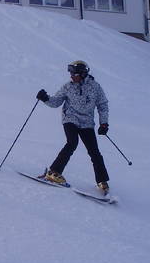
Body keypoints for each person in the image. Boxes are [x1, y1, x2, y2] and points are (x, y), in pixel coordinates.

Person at [36, 60, 111, 194]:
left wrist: (104, 123)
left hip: (87, 123)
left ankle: (102, 181)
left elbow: (103, 105)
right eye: (70, 73)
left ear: (83, 74)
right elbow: (56, 102)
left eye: (74, 73)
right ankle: (54, 172)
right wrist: (45, 98)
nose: (71, 76)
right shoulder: (68, 87)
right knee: (72, 143)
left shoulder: (95, 87)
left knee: (94, 152)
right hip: (70, 118)